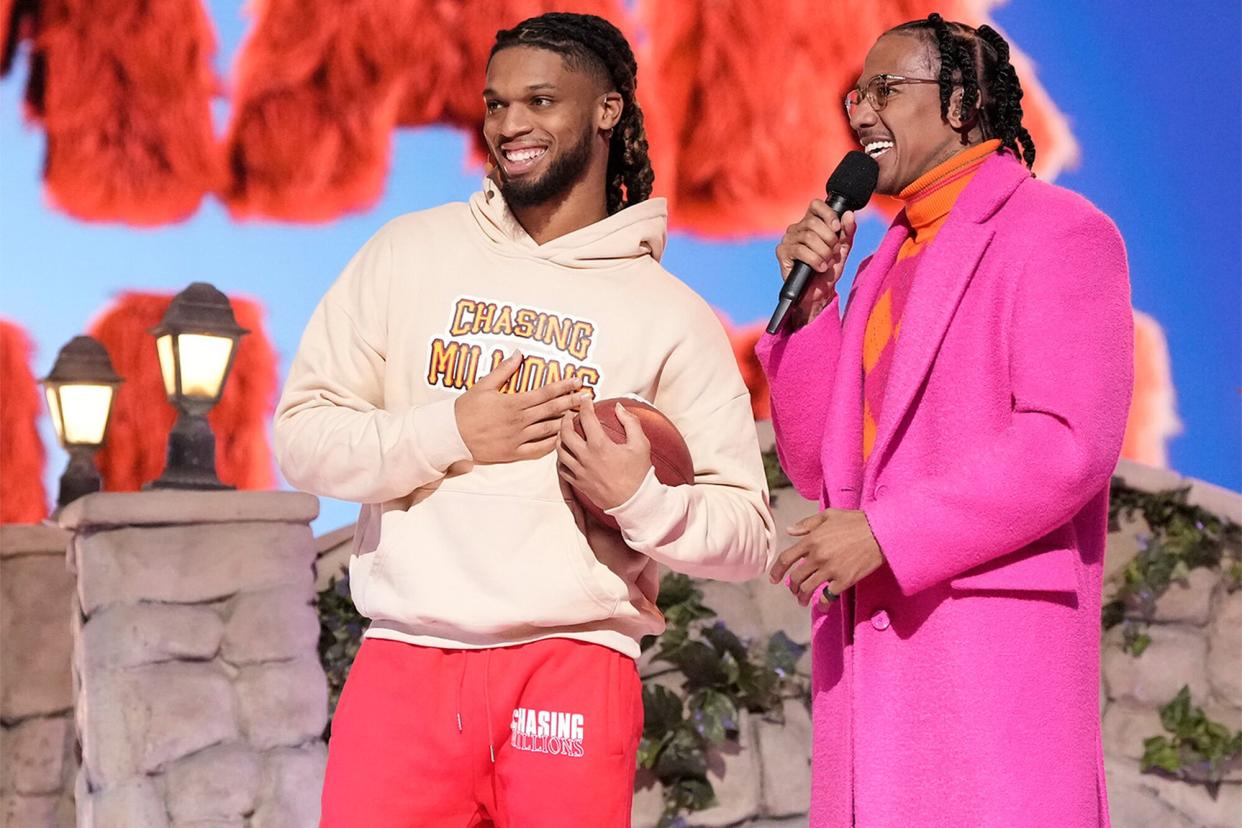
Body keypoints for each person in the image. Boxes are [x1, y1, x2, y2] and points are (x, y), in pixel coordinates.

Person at [274, 12, 774, 827]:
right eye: (497, 104)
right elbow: (302, 439)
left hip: (574, 663)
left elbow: (749, 535)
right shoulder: (408, 253)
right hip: (406, 661)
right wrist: (450, 433)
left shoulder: (669, 315)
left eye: (540, 101)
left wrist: (641, 501)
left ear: (607, 111)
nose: (510, 126)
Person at [756, 13, 1133, 827]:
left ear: (962, 102)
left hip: (984, 666)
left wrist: (887, 533)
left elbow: (1068, 445)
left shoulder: (1062, 233)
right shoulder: (885, 259)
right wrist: (812, 310)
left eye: (886, 88)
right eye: (855, 93)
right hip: (872, 664)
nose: (860, 111)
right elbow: (824, 469)